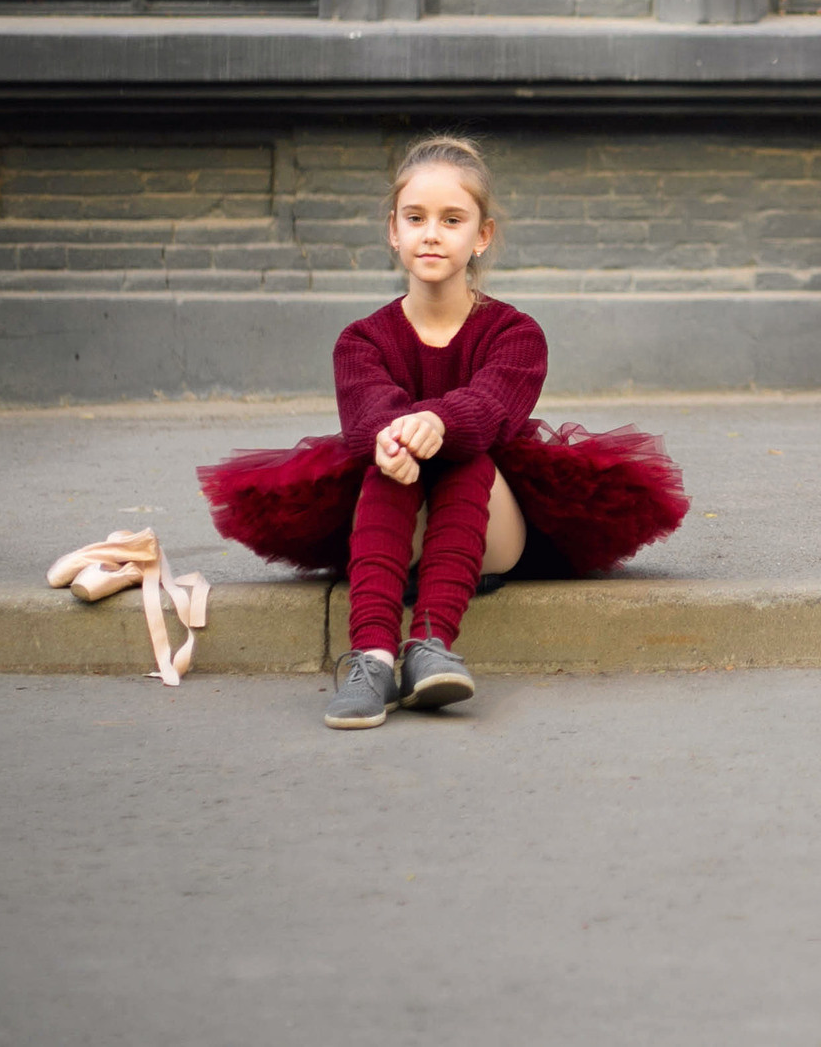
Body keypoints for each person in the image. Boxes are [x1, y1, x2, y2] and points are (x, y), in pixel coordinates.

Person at [199, 135, 686, 729]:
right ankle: (373, 658)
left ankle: (431, 643)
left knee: (464, 452)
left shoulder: (515, 333)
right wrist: (391, 438)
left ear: (481, 236)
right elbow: (365, 414)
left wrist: (438, 422)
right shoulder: (361, 340)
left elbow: (491, 405)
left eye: (452, 220)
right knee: (390, 456)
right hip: (393, 526)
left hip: (489, 531)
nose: (431, 234)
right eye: (416, 218)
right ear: (393, 231)